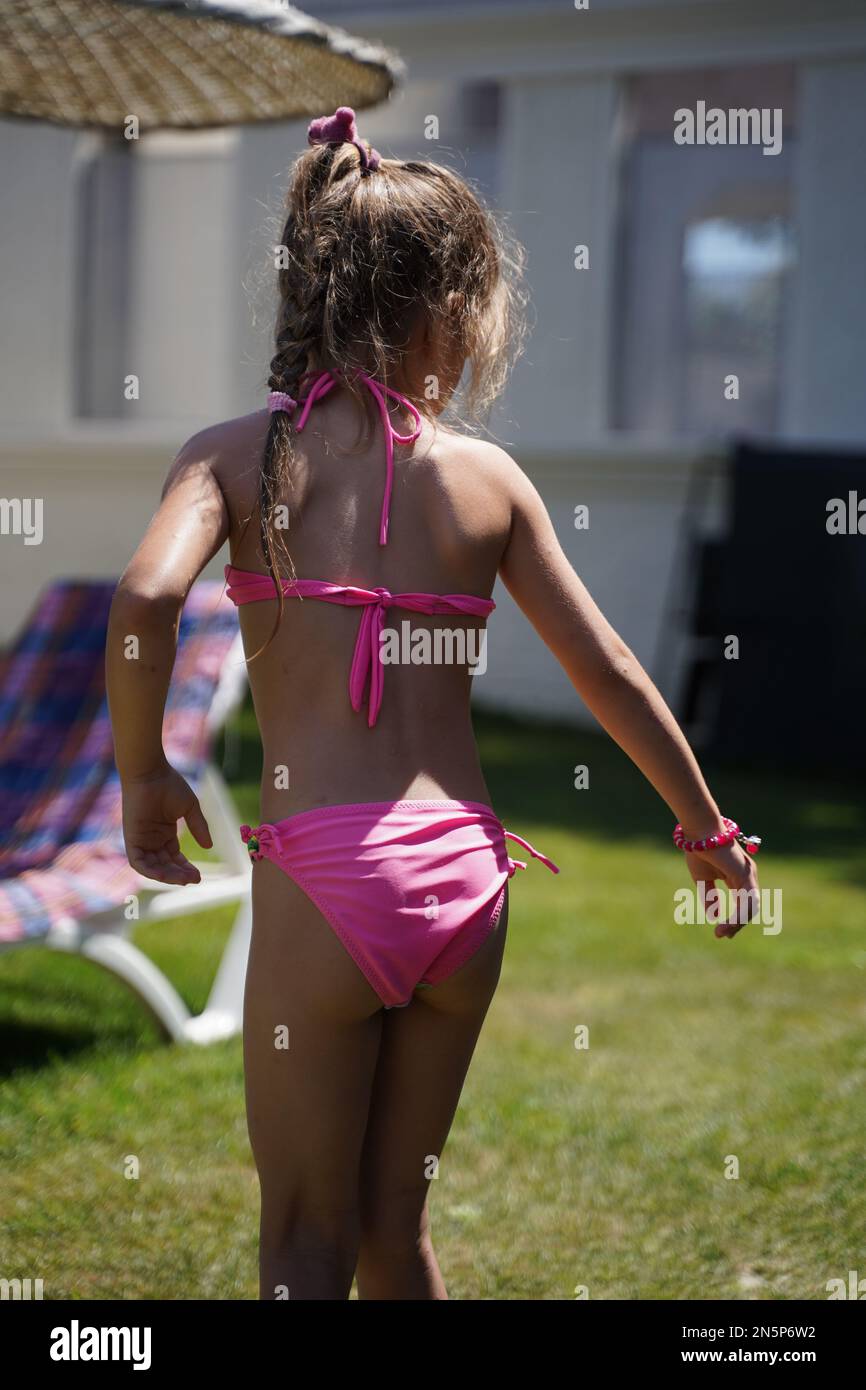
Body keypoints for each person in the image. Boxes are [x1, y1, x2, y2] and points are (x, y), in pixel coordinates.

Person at [105, 107, 761, 1301]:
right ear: (450, 309)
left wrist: (146, 773)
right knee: (390, 1231)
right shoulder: (486, 477)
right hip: (464, 881)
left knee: (303, 1232)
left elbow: (146, 596)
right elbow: (605, 666)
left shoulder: (236, 455)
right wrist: (705, 829)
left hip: (325, 875)